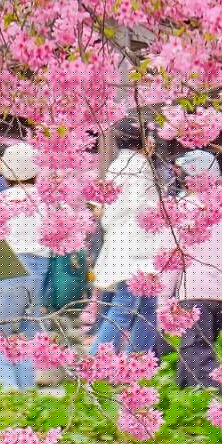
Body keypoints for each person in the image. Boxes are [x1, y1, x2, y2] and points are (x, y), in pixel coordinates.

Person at [92, 120, 168, 354]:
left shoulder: (118, 165)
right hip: (137, 247)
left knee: (147, 306)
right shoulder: (140, 166)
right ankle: (98, 360)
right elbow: (143, 208)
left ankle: (136, 363)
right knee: (126, 305)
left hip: (123, 242)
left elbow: (104, 208)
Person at [167, 149, 222, 389]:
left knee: (196, 351)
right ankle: (184, 396)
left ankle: (210, 399)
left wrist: (163, 297)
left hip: (195, 291)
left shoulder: (183, 208)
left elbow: (172, 256)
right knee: (193, 350)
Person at [0, 144, 48, 391]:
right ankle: (26, 394)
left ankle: (10, 394)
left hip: (8, 267)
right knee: (24, 340)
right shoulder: (47, 201)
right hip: (41, 269)